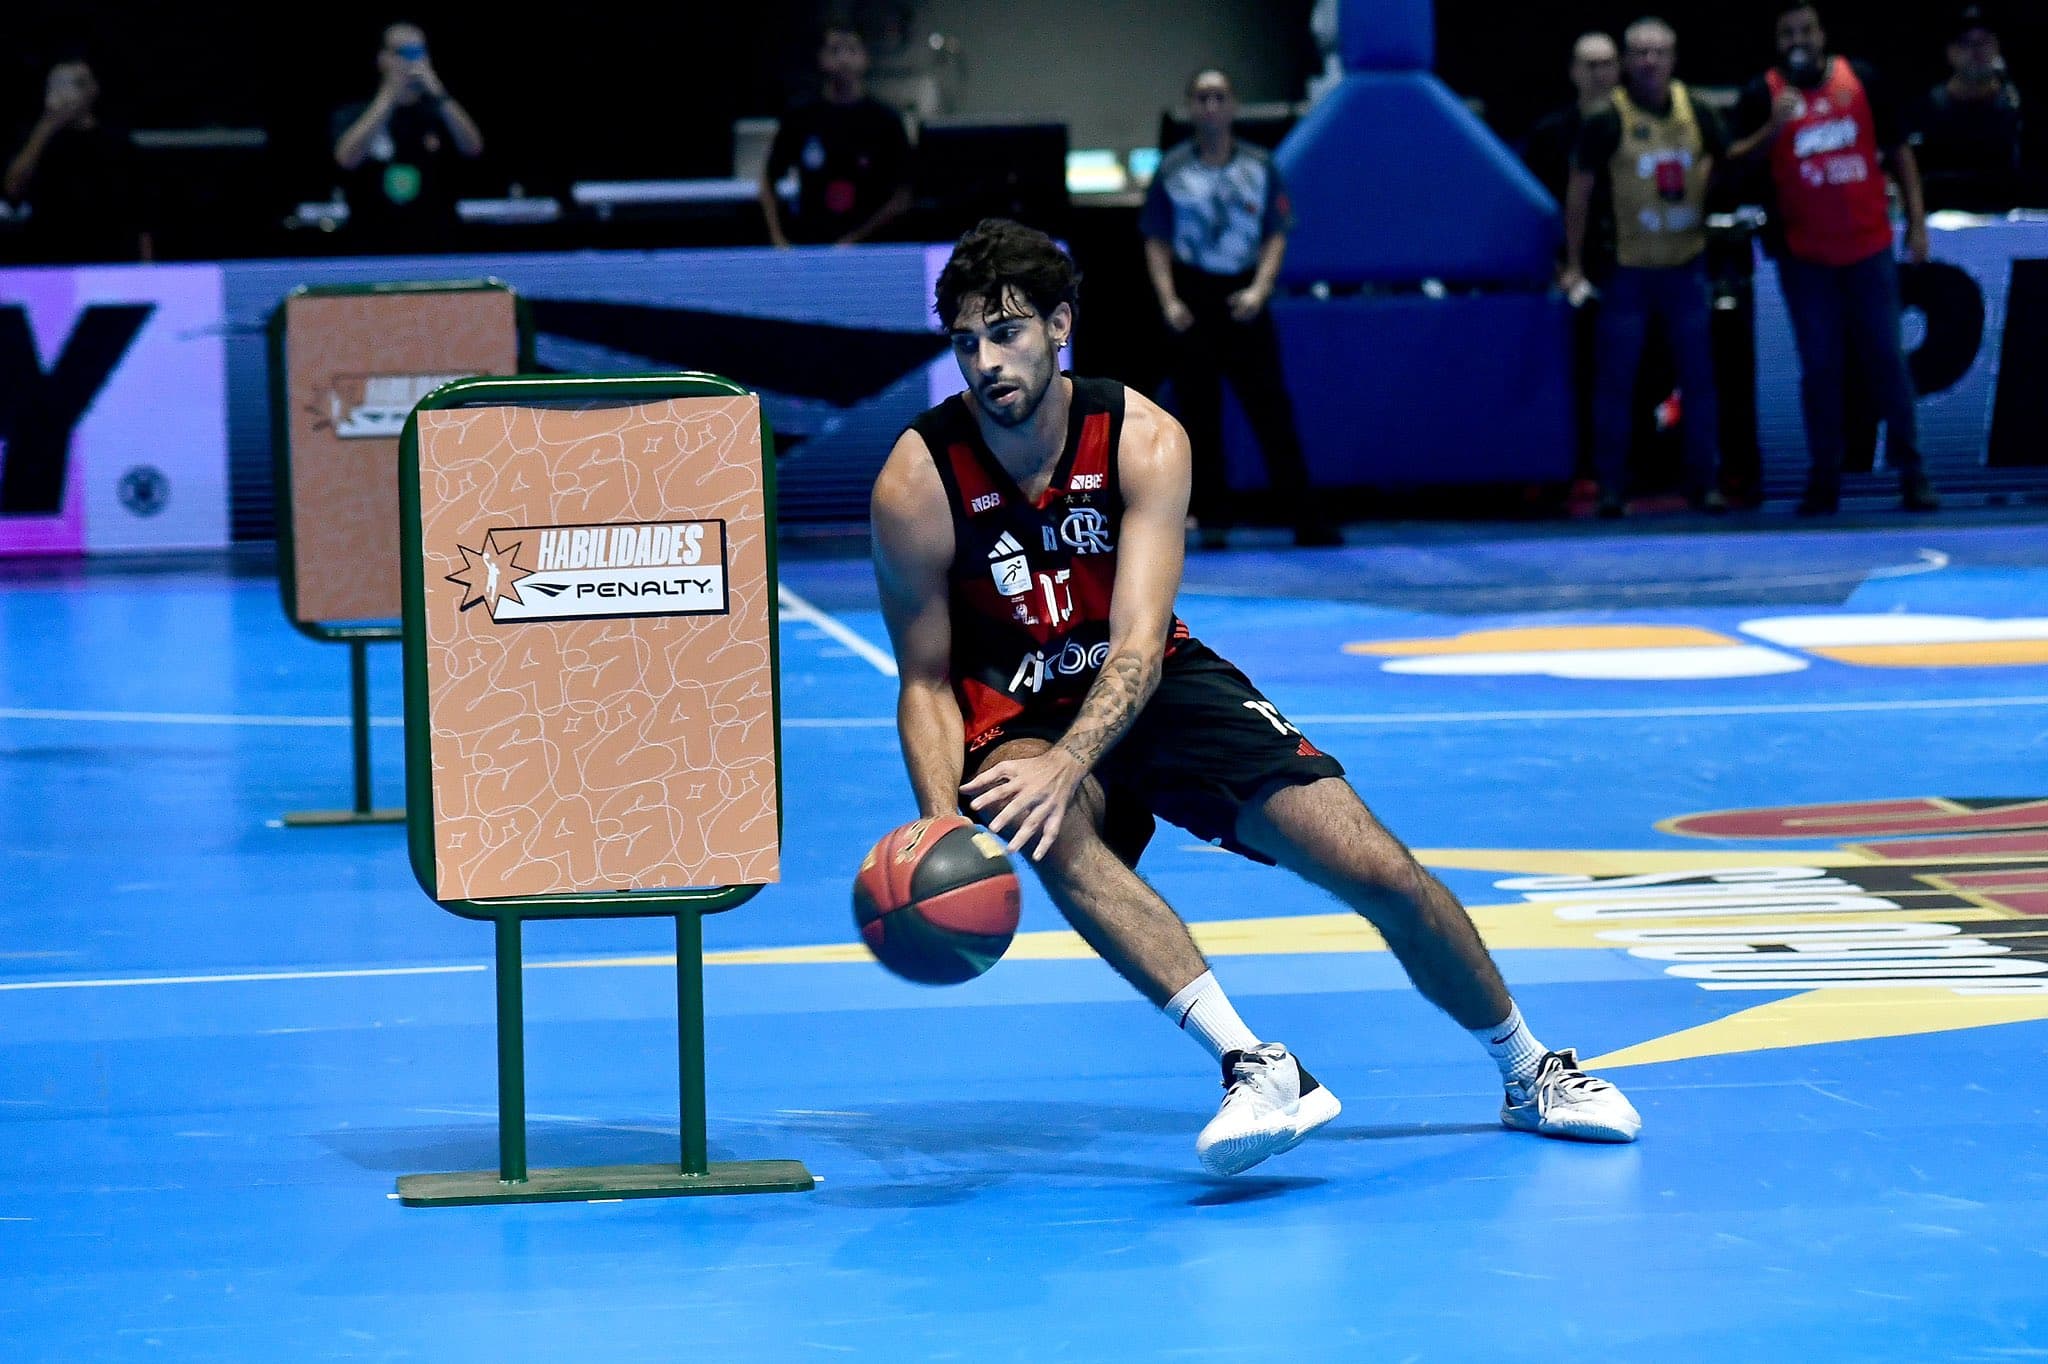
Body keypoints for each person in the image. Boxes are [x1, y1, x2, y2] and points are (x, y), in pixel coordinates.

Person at [869, 218, 1642, 1178]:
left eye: (1009, 331)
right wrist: (943, 834)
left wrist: (1078, 758)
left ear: (1062, 326)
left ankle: (1531, 1072)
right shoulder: (918, 479)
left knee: (1376, 868)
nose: (987, 362)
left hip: (1146, 680)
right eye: (967, 341)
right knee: (1042, 816)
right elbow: (927, 679)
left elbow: (1142, 647)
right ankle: (1257, 1064)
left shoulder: (1144, 439)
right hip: (1019, 709)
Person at [1727, 4, 1940, 515]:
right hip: (1806, 259)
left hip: (1868, 250)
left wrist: (1915, 222)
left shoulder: (1861, 79)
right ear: (1777, 41)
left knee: (1887, 363)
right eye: (1788, 32)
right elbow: (1731, 165)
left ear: (1823, 34)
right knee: (1821, 370)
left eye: (1806, 29)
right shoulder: (1764, 94)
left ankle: (1914, 475)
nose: (1799, 39)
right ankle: (1824, 479)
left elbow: (1900, 154)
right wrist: (1773, 129)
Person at [1141, 69, 1337, 550]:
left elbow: (1276, 231)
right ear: (1189, 107)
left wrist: (1260, 289)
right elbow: (1157, 239)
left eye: (1219, 97)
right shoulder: (1172, 170)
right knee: (1198, 416)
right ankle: (1212, 521)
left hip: (1243, 296)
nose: (1211, 106)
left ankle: (1304, 518)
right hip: (1193, 295)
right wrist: (1169, 300)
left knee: (1272, 409)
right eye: (1202, 97)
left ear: (1233, 106)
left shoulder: (1260, 166)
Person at [1562, 18, 1728, 517]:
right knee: (1616, 382)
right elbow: (1579, 195)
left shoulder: (1697, 108)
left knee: (1699, 381)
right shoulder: (1605, 119)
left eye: (1659, 53)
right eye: (1639, 53)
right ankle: (1612, 486)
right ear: (1627, 62)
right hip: (1627, 271)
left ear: (1674, 58)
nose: (1649, 62)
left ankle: (1706, 482)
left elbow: (1730, 158)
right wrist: (1574, 263)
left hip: (1686, 264)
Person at [330, 22, 485, 252]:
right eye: (402, 53)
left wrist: (439, 93)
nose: (411, 61)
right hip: (371, 244)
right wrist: (389, 97)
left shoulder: (438, 113)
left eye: (418, 52)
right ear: (383, 58)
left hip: (436, 244)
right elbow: (346, 159)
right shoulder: (353, 113)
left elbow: (473, 148)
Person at [760, 23, 912, 248]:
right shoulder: (800, 117)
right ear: (821, 59)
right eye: (835, 50)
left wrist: (855, 240)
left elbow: (902, 195)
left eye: (851, 50)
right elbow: (768, 182)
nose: (843, 59)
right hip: (809, 246)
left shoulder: (886, 121)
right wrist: (778, 240)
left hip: (870, 248)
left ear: (865, 58)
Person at [2, 59, 148, 265]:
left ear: (93, 90)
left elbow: (140, 214)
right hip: (51, 260)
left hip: (109, 259)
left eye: (75, 84)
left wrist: (146, 270)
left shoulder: (117, 143)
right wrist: (48, 125)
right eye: (58, 85)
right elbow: (12, 189)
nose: (66, 93)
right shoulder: (34, 140)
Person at [1912, 5, 2028, 212]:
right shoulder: (1927, 109)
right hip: (1943, 221)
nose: (1976, 51)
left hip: (2006, 223)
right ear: (1950, 52)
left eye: (1984, 42)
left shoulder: (2016, 107)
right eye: (1966, 43)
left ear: (1997, 47)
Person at [1520, 32, 1622, 211]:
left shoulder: (1637, 124)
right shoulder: (1548, 133)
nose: (1600, 74)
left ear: (1619, 68)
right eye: (1591, 65)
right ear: (1574, 70)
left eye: (1607, 64)